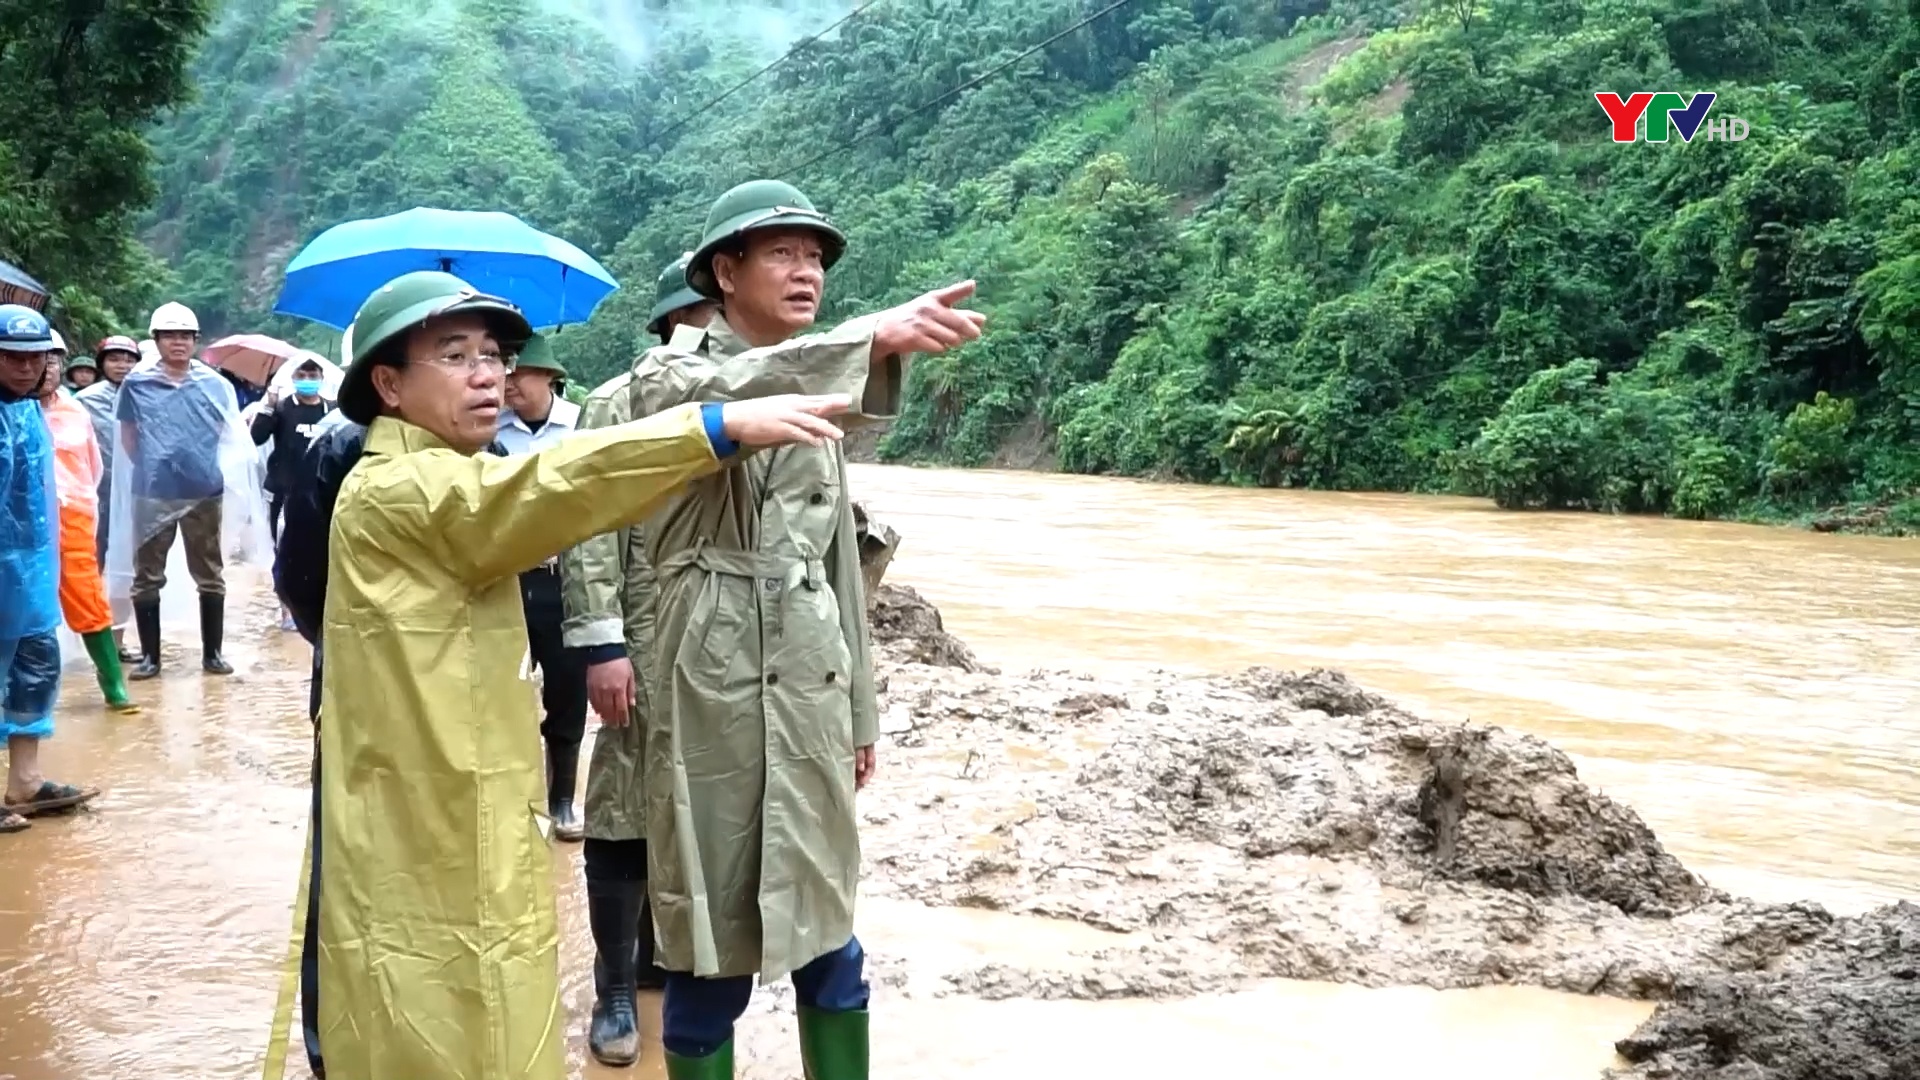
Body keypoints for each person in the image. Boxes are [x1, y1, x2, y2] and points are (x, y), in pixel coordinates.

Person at [311, 268, 853, 1080]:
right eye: (454, 356)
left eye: (493, 354)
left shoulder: (442, 472)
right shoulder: (407, 485)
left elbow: (835, 563)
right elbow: (555, 492)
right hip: (433, 799)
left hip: (467, 779)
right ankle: (615, 994)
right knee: (437, 988)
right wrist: (707, 430)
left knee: (470, 974)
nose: (488, 372)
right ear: (387, 385)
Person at [625, 180, 984, 1078]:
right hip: (709, 691)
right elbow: (728, 392)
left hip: (810, 685)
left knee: (834, 949)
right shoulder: (668, 377)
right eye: (782, 254)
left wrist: (860, 714)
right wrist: (867, 339)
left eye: (816, 258)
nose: (807, 272)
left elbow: (838, 579)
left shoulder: (820, 411)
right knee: (710, 955)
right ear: (724, 271)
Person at [557, 250, 716, 1066]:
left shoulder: (755, 394)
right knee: (622, 804)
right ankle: (615, 982)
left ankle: (670, 959)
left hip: (726, 645)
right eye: (701, 318)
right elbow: (588, 522)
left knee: (704, 806)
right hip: (645, 635)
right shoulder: (617, 403)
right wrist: (604, 643)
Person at [106, 301, 267, 679]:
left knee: (209, 571)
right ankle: (151, 657)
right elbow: (129, 436)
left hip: (204, 490)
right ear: (156, 340)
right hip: (153, 490)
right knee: (147, 574)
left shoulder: (214, 384)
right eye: (169, 336)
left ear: (195, 340)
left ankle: (212, 654)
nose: (178, 342)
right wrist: (155, 463)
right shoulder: (137, 384)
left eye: (185, 336)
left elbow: (229, 433)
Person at [0, 304, 99, 833]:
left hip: (33, 565)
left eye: (34, 358)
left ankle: (26, 781)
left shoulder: (31, 410)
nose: (24, 367)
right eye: (12, 357)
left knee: (35, 669)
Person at [494, 335, 590, 841]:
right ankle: (509, 801)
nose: (508, 385)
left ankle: (562, 801)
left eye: (519, 375)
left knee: (567, 692)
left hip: (563, 580)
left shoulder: (581, 427)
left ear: (548, 377)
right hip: (505, 582)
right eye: (504, 374)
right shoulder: (487, 431)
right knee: (498, 690)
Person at [35, 350, 138, 713]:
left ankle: (112, 684)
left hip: (73, 515)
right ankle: (20, 699)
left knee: (88, 596)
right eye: (29, 358)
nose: (42, 369)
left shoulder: (75, 411)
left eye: (50, 361)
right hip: (19, 518)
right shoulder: (11, 410)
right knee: (20, 603)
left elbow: (92, 468)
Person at [76, 336, 142, 663]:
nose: (122, 365)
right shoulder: (84, 401)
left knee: (127, 569)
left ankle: (117, 640)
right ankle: (89, 637)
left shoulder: (146, 395)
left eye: (129, 359)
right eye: (115, 359)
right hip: (96, 492)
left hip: (136, 493)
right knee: (93, 566)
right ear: (102, 363)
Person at [252, 357, 333, 543]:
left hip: (320, 492)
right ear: (292, 377)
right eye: (301, 375)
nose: (307, 380)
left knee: (318, 546)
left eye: (313, 376)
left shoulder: (332, 410)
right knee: (283, 546)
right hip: (284, 491)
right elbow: (257, 437)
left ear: (322, 377)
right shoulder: (281, 407)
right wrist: (268, 407)